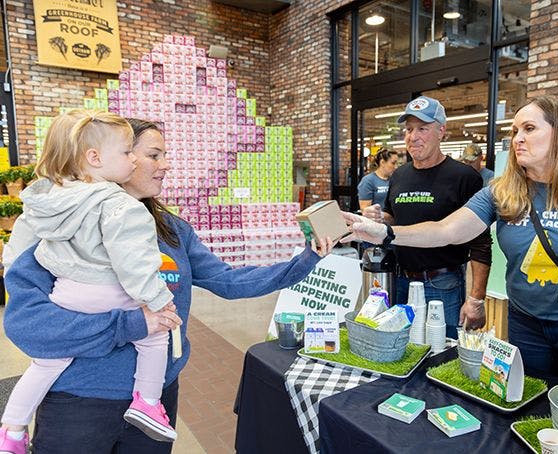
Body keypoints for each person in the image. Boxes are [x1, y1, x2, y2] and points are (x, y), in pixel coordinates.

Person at [2, 118, 334, 453]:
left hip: (155, 400)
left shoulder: (172, 231)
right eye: (153, 155)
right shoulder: (61, 227)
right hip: (79, 403)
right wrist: (129, 325)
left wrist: (306, 259)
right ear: (110, 157)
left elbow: (229, 280)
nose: (166, 165)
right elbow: (29, 325)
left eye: (165, 155)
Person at [345, 95, 558, 385]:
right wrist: (386, 233)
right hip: (525, 324)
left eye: (529, 129)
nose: (517, 138)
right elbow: (448, 230)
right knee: (526, 406)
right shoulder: (502, 191)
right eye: (515, 131)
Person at [1, 109, 179, 449]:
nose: (133, 160)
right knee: (156, 335)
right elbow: (134, 266)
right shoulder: (119, 205)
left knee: (45, 364)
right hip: (108, 296)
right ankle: (149, 402)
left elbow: (21, 256)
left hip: (66, 293)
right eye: (129, 152)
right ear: (94, 157)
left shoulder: (50, 203)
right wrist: (159, 300)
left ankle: (11, 430)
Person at [362, 96, 492, 338]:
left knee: (441, 353)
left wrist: (476, 298)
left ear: (441, 131)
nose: (413, 136)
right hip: (399, 280)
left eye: (423, 128)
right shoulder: (399, 175)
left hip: (442, 284)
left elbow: (481, 244)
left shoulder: (464, 177)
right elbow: (393, 218)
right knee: (399, 347)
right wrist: (379, 218)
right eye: (409, 129)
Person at [358, 148, 398, 212]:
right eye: (393, 163)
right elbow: (365, 210)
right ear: (382, 162)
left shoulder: (394, 180)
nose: (396, 167)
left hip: (394, 220)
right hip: (377, 220)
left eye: (396, 163)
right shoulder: (368, 181)